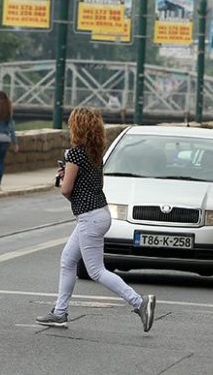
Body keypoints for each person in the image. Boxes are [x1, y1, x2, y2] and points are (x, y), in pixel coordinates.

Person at [35, 107, 156, 332]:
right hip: (100, 213)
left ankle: (139, 302)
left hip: (89, 217)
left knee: (96, 271)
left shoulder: (74, 154)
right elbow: (93, 183)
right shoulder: (95, 153)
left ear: (77, 127)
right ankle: (60, 312)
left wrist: (65, 181)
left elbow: (66, 190)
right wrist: (69, 176)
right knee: (68, 260)